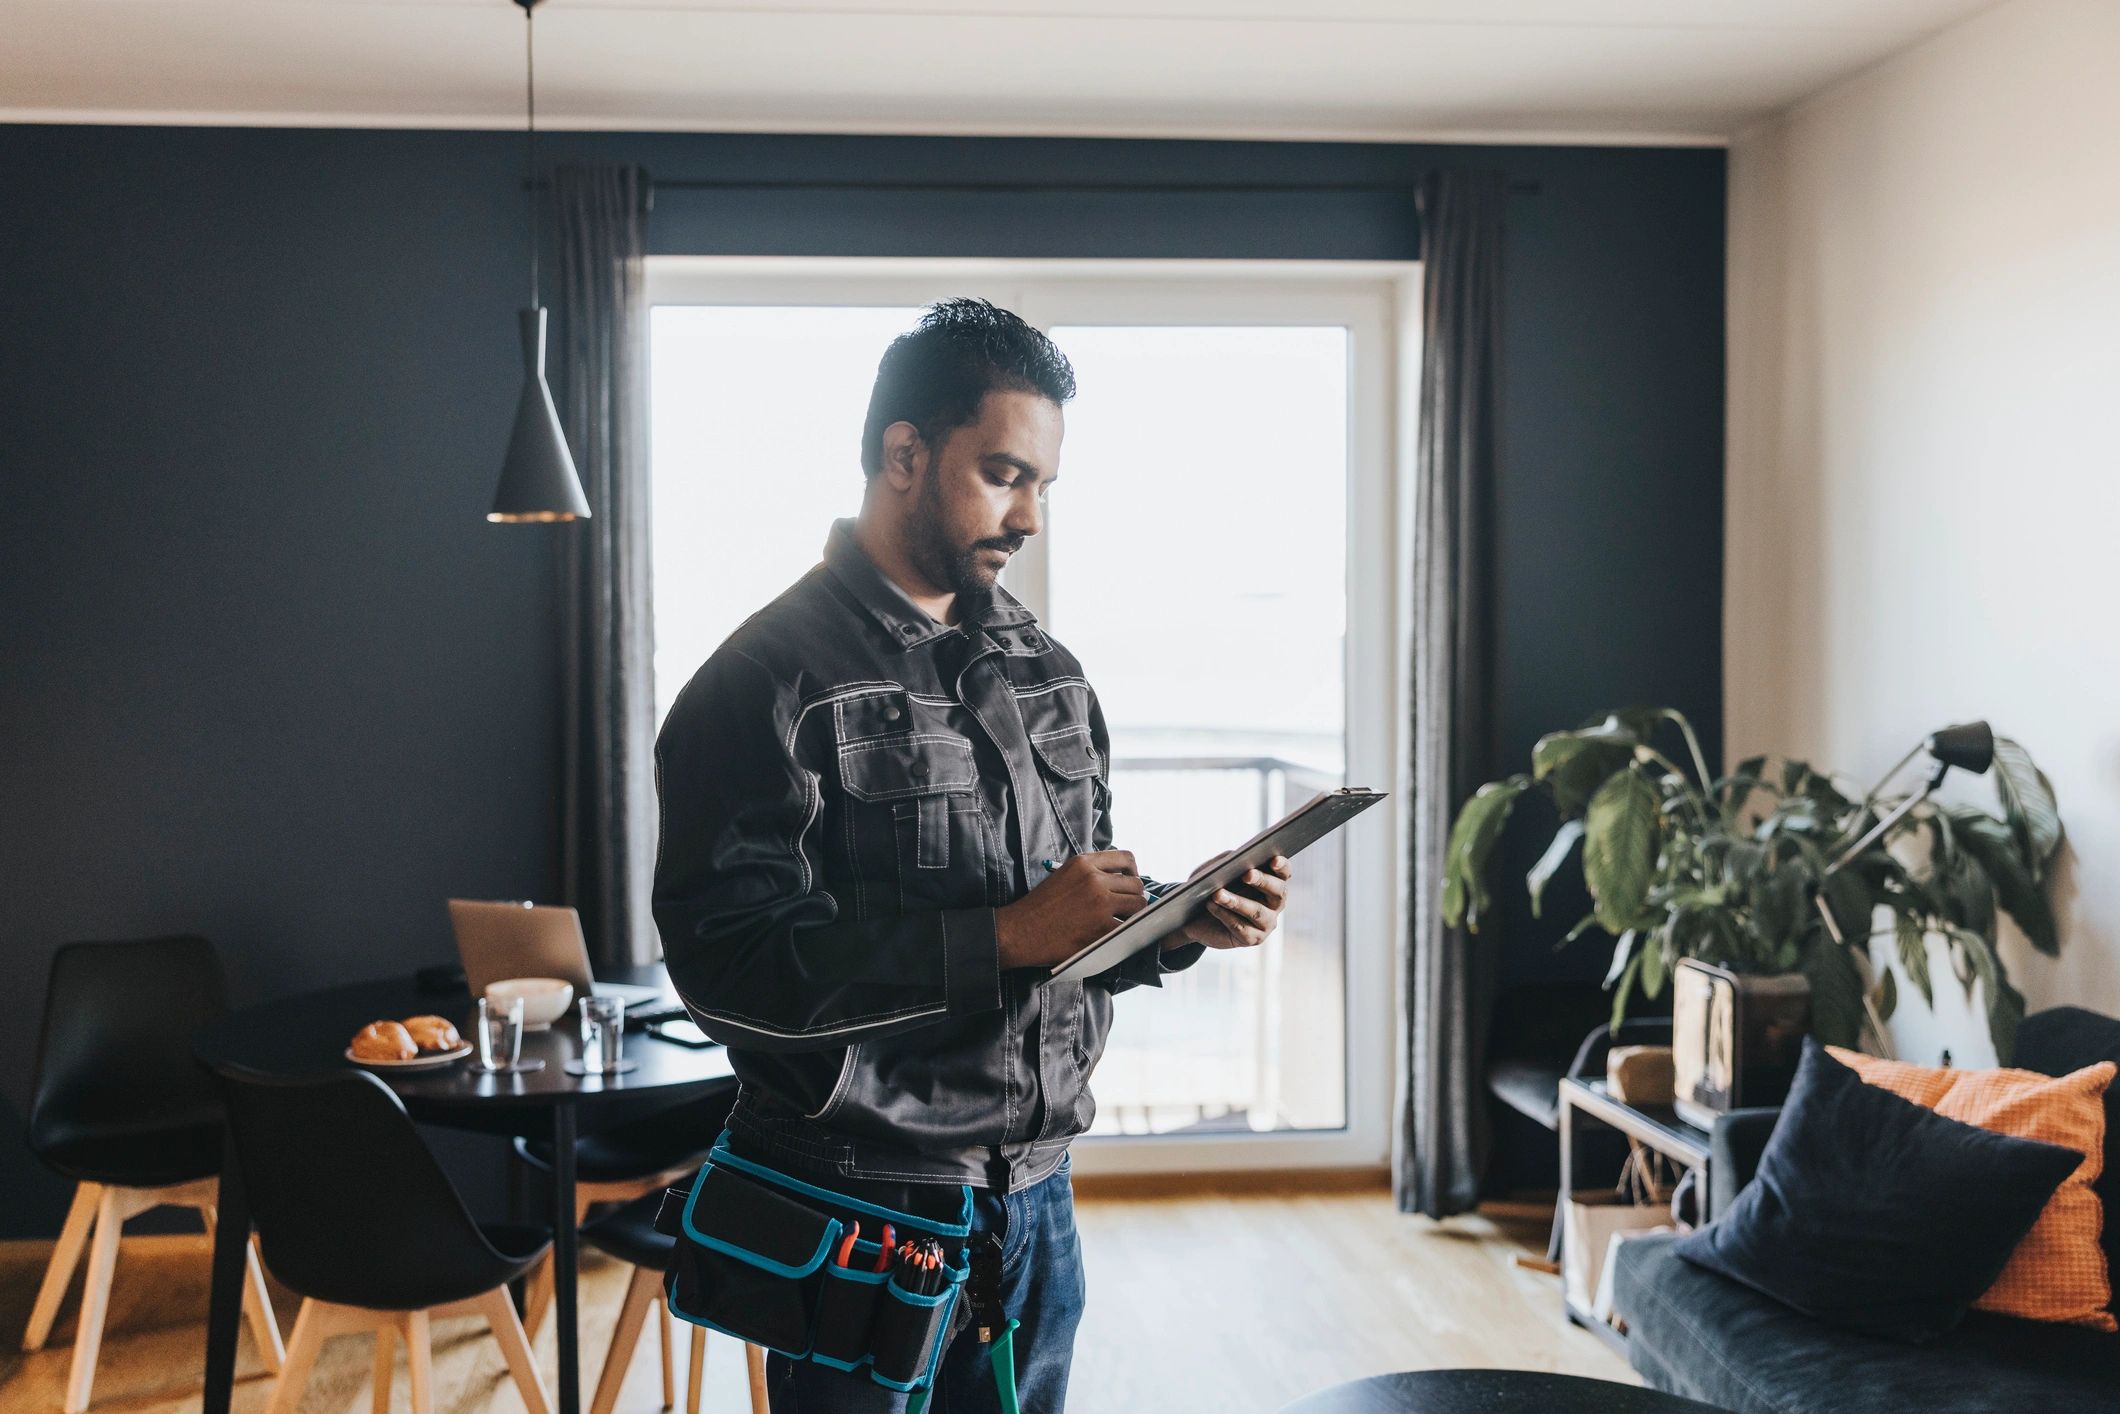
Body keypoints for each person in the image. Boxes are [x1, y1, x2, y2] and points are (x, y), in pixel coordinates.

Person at [653, 298, 1293, 1412]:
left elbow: (1066, 930)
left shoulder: (1048, 669)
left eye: (1042, 482)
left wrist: (1174, 927)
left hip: (1038, 1201)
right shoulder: (761, 684)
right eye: (1004, 473)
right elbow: (730, 973)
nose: (1030, 515)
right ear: (904, 454)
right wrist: (1000, 936)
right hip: (861, 1209)